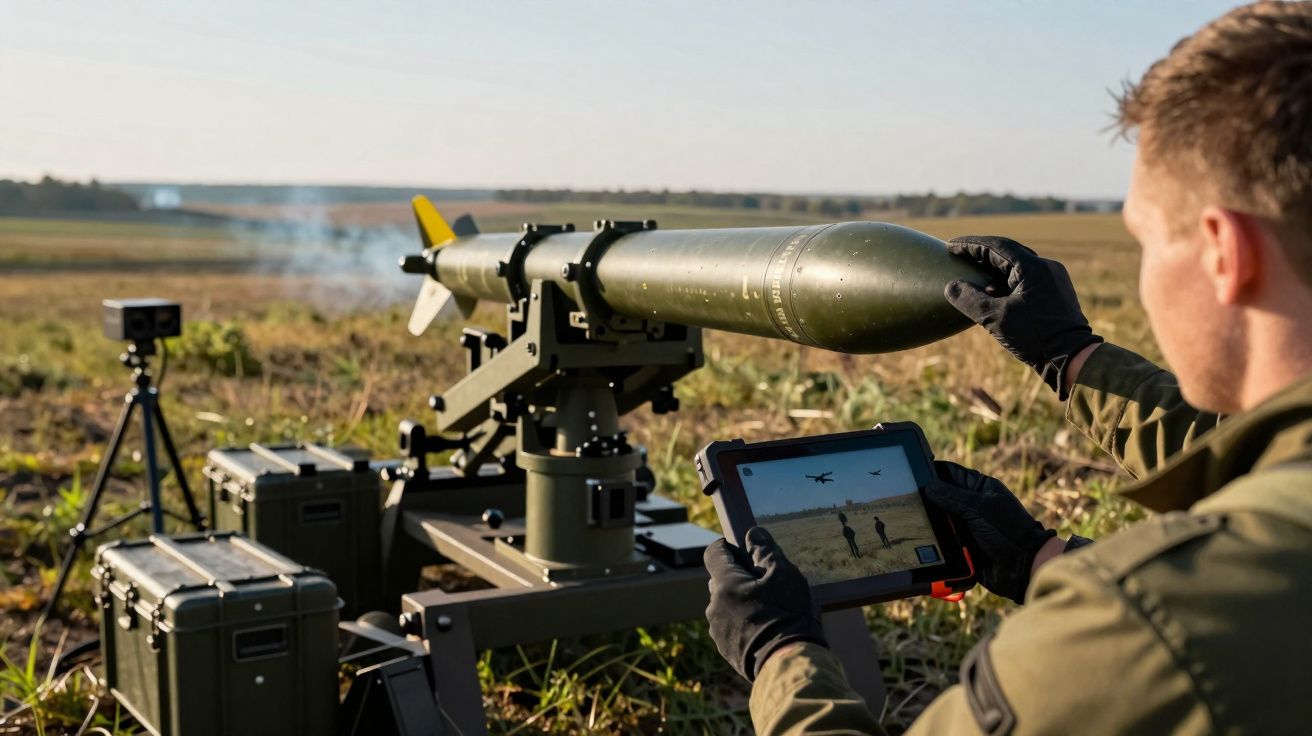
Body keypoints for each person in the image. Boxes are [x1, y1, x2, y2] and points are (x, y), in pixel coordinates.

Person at [703, 3, 1312, 734]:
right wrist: (1040, 552)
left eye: (1145, 239)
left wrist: (782, 655)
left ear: (1224, 252)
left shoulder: (1146, 627)